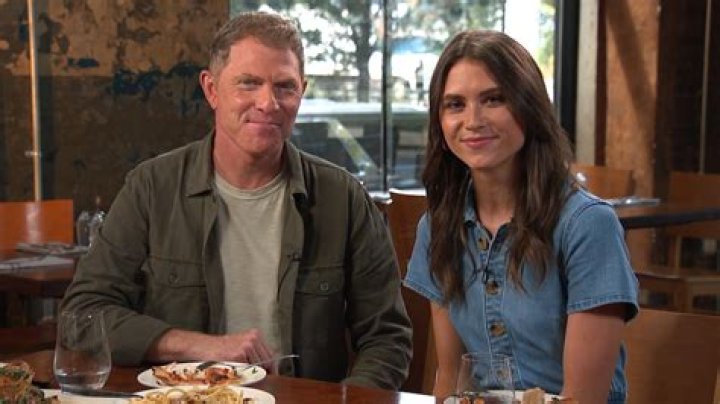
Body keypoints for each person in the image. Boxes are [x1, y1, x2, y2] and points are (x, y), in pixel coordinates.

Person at [61, 11, 412, 390]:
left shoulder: (343, 197)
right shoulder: (151, 188)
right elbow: (83, 316)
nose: (268, 103)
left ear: (302, 91)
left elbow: (387, 339)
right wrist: (198, 346)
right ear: (211, 89)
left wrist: (346, 401)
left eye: (285, 87)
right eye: (248, 83)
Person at [403, 30, 638, 403]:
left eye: (493, 99)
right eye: (455, 104)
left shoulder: (588, 224)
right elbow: (450, 379)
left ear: (529, 107)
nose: (473, 120)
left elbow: (583, 399)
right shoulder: (437, 226)